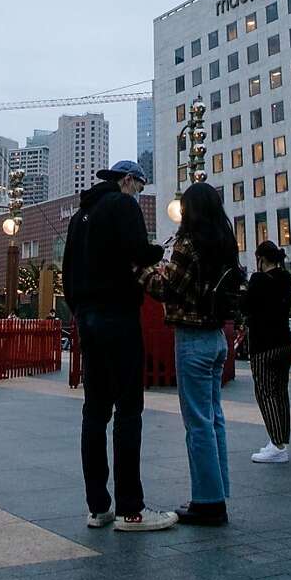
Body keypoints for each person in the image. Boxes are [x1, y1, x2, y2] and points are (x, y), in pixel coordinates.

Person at [61, 159, 176, 532]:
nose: (139, 194)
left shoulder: (80, 216)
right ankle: (132, 509)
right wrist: (158, 252)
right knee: (128, 409)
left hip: (88, 319)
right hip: (118, 315)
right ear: (128, 180)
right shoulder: (123, 205)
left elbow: (67, 271)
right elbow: (138, 252)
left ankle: (98, 507)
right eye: (140, 188)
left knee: (94, 412)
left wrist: (80, 309)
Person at [142, 181, 242, 526]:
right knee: (214, 419)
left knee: (197, 422)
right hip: (217, 337)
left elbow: (167, 288)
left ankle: (208, 501)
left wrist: (141, 271)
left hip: (193, 339)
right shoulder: (226, 242)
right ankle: (218, 491)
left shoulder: (188, 243)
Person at [243, 240, 291, 464]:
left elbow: (245, 306)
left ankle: (277, 445)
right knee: (281, 393)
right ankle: (281, 439)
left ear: (260, 259)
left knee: (266, 393)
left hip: (263, 344)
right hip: (285, 341)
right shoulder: (287, 278)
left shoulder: (258, 280)